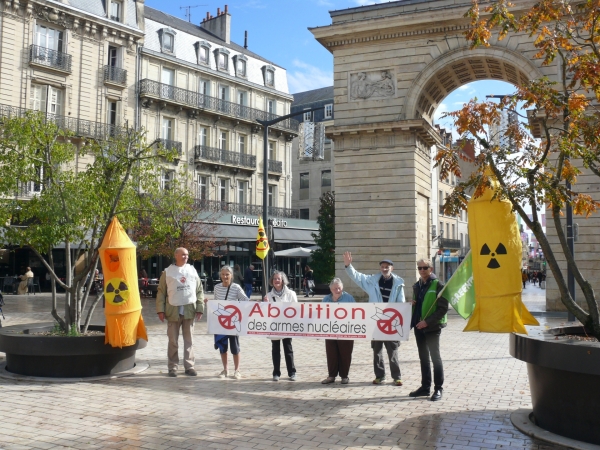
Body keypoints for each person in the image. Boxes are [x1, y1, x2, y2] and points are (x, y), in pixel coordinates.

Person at [343, 251, 405, 386]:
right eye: (382, 266)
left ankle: (397, 377)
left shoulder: (399, 283)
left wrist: (403, 317)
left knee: (393, 351)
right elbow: (357, 277)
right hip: (376, 322)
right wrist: (348, 266)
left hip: (391, 321)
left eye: (387, 267)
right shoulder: (371, 281)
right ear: (380, 268)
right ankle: (380, 375)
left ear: (392, 268)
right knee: (377, 351)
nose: (384, 269)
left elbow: (401, 303)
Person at [156, 248, 204, 377]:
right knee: (173, 341)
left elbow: (199, 290)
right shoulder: (168, 272)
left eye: (187, 255)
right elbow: (161, 291)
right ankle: (173, 367)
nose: (186, 257)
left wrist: (200, 308)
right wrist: (160, 310)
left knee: (189, 341)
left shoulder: (192, 270)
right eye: (183, 254)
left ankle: (189, 366)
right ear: (176, 255)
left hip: (189, 311)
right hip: (173, 311)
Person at [410, 258, 448, 402]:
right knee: (423, 358)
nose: (422, 270)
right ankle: (425, 387)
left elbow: (443, 309)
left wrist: (427, 322)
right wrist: (412, 304)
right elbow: (420, 305)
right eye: (419, 268)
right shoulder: (417, 285)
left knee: (435, 358)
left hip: (432, 327)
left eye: (424, 268)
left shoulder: (439, 285)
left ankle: (438, 388)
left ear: (430, 269)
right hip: (419, 326)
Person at [211, 265, 249, 379]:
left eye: (227, 274)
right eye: (223, 274)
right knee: (222, 346)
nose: (225, 276)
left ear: (231, 275)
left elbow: (245, 300)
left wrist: (257, 303)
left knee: (235, 347)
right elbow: (216, 303)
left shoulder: (236, 287)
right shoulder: (217, 287)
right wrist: (209, 303)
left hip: (233, 322)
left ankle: (237, 370)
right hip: (221, 322)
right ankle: (225, 369)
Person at [263, 271, 298, 381]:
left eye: (278, 278)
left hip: (287, 325)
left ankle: (292, 372)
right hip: (274, 326)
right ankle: (276, 373)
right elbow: (264, 312)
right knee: (275, 350)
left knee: (288, 348)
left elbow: (296, 309)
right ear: (272, 281)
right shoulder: (268, 295)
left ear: (283, 280)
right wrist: (265, 304)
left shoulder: (291, 294)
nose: (276, 281)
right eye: (274, 279)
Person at [321, 278, 355, 385]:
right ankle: (331, 376)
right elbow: (320, 314)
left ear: (342, 288)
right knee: (331, 353)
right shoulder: (326, 299)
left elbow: (357, 313)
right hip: (330, 330)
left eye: (339, 288)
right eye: (335, 288)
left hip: (346, 331)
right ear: (331, 289)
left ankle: (344, 376)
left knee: (345, 353)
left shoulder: (349, 298)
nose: (337, 290)